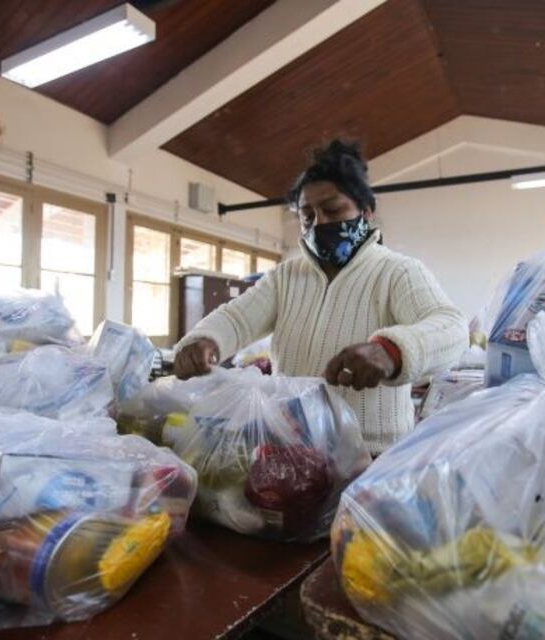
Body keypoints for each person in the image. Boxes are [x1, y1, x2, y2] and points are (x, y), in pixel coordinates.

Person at [174, 140, 467, 454]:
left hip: (370, 456)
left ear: (366, 213)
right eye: (307, 216)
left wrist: (391, 352)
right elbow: (236, 319)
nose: (320, 223)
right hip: (292, 448)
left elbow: (451, 328)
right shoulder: (285, 277)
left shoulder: (398, 272)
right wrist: (205, 340)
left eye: (333, 210)